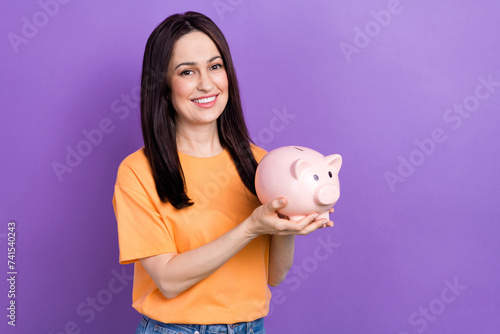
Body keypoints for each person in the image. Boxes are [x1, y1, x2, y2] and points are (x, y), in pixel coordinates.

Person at [112, 11, 334, 334]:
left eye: (215, 67)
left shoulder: (262, 165)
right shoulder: (138, 172)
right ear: (163, 86)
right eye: (187, 71)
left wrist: (287, 227)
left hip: (250, 327)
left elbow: (274, 275)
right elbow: (169, 280)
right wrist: (251, 228)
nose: (206, 83)